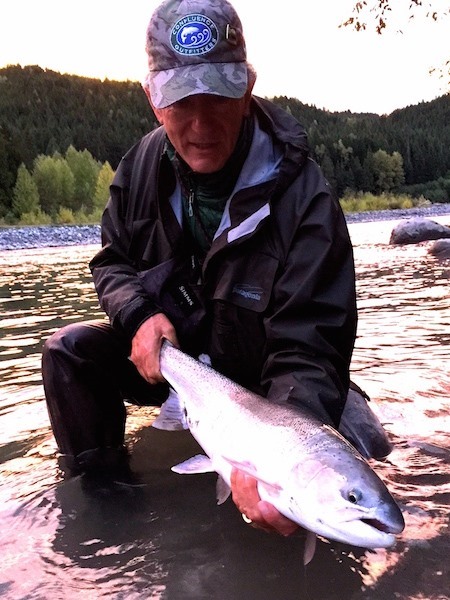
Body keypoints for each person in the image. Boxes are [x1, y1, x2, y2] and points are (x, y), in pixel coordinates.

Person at [42, 0, 369, 536]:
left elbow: (311, 346)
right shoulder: (140, 169)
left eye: (217, 97)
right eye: (180, 102)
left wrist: (291, 451)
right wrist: (138, 315)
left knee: (327, 490)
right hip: (181, 367)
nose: (200, 125)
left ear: (247, 89)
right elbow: (113, 260)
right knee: (68, 353)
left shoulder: (304, 198)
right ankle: (110, 515)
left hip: (266, 386)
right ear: (153, 99)